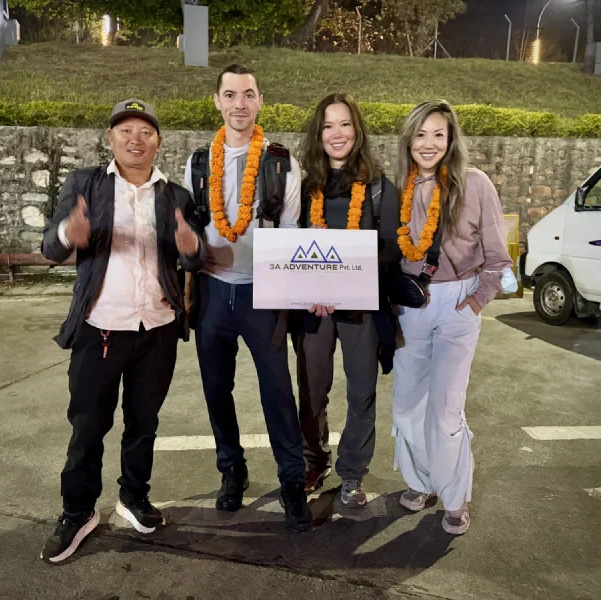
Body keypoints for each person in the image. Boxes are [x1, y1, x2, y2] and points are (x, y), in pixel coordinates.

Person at [40, 99, 206, 563]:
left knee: (143, 424)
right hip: (100, 329)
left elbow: (192, 257)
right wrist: (67, 235)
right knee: (88, 426)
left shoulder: (175, 196)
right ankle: (77, 513)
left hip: (157, 327)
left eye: (146, 132)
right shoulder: (85, 185)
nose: (136, 139)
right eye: (126, 130)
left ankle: (134, 498)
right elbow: (50, 246)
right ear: (110, 138)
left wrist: (192, 246)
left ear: (158, 141)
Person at [183, 64, 313, 533]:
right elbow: (196, 225)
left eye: (249, 94)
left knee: (278, 391)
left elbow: (295, 232)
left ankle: (293, 482)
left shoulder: (281, 162)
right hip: (214, 292)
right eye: (231, 94)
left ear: (260, 102)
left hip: (265, 292)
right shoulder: (198, 162)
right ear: (217, 101)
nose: (240, 103)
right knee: (217, 390)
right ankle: (231, 471)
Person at [391, 100, 511, 535]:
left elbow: (499, 257)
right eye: (421, 134)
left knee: (445, 408)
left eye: (438, 134)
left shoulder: (474, 184)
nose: (429, 143)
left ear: (451, 139)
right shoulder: (395, 189)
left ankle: (455, 497)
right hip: (409, 307)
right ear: (409, 140)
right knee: (407, 405)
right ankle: (422, 482)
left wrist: (477, 300)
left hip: (457, 303)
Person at [295, 93, 400, 506]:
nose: (336, 134)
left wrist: (345, 274)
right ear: (318, 134)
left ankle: (353, 473)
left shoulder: (378, 187)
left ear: (357, 131)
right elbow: (293, 247)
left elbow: (391, 248)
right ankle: (313, 460)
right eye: (327, 126)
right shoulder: (305, 189)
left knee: (361, 391)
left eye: (344, 125)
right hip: (314, 309)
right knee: (312, 389)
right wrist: (316, 288)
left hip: (362, 308)